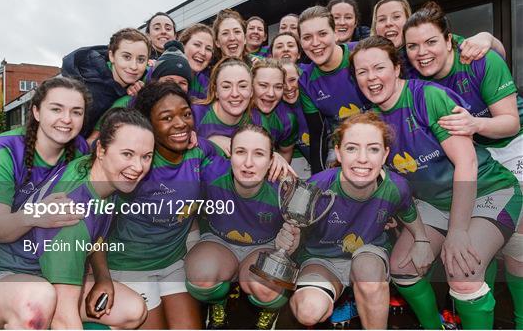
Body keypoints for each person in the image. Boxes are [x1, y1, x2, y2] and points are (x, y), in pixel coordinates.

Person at [350, 35, 521, 329]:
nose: (371, 78)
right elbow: (390, 178)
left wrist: (456, 232)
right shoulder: (371, 120)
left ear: (396, 68)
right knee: (402, 267)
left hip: (487, 191)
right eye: (362, 72)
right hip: (434, 203)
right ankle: (435, 326)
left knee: (463, 270)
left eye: (378, 67)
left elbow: (466, 163)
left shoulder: (429, 97)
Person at [404, 1, 523, 329]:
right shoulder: (413, 70)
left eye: (430, 42)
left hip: (507, 146)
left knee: (517, 246)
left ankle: (519, 319)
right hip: (469, 154)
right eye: (413, 46)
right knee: (477, 246)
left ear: (449, 40)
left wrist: (475, 124)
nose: (422, 52)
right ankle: (477, 305)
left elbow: (510, 122)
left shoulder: (479, 59)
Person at [0, 108, 154, 329]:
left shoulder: (100, 175)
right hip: (3, 279)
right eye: (127, 154)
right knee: (37, 302)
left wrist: (103, 278)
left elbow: (96, 236)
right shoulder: (72, 211)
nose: (138, 167)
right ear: (101, 150)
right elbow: (64, 317)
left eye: (146, 156)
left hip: (45, 277)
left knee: (132, 310)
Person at [282, 112, 433, 329]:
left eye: (373, 149)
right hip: (322, 260)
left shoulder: (396, 186)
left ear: (385, 155)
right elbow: (295, 229)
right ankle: (350, 299)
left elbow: (408, 213)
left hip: (368, 254)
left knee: (367, 273)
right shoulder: (317, 187)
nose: (362, 158)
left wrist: (421, 240)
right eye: (352, 148)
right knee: (308, 310)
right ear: (338, 153)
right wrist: (289, 239)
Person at [106, 82, 225, 329]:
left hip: (173, 263)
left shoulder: (198, 150)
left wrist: (271, 156)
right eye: (166, 117)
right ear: (148, 123)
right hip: (131, 268)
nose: (180, 123)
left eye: (185, 114)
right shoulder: (136, 165)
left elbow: (226, 155)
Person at [185, 124, 287, 330]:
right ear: (230, 154)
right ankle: (217, 303)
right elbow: (196, 142)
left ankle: (269, 310)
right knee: (200, 276)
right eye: (241, 152)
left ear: (271, 161)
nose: (248, 163)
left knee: (266, 287)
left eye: (259, 154)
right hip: (219, 243)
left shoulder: (283, 188)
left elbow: (300, 235)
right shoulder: (210, 172)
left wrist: (289, 241)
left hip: (263, 247)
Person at [0, 77, 90, 245]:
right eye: (56, 109)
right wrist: (35, 214)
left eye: (76, 112)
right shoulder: (3, 152)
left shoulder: (81, 149)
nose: (67, 119)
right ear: (36, 112)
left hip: (48, 250)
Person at [298, 5, 370, 174]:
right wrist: (318, 178)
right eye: (307, 37)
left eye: (322, 34)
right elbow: (318, 134)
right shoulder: (306, 81)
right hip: (345, 146)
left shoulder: (362, 52)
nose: (315, 43)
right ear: (301, 42)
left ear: (336, 34)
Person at [370, 0, 506, 76]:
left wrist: (488, 38)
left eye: (396, 17)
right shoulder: (371, 60)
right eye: (381, 19)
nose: (388, 23)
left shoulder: (437, 41)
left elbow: (497, 56)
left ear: (408, 20)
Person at [88, 40, 192, 145]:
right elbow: (93, 140)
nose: (175, 86)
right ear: (155, 82)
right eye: (169, 80)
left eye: (183, 83)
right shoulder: (128, 103)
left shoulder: (190, 111)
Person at [62, 28, 150, 137]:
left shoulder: (140, 84)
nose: (133, 66)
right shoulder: (89, 90)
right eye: (126, 57)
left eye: (141, 60)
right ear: (112, 56)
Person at [251, 58, 297, 163]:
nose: (271, 94)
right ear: (251, 84)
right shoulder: (236, 109)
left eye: (278, 87)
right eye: (263, 85)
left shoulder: (287, 120)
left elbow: (285, 154)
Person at [281, 60, 310, 178]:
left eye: (292, 80)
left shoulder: (314, 99)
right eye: (281, 83)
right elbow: (285, 152)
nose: (288, 87)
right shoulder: (277, 112)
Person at [179, 23, 215, 100]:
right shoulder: (160, 72)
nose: (203, 52)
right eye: (197, 45)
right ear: (183, 45)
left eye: (208, 49)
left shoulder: (208, 84)